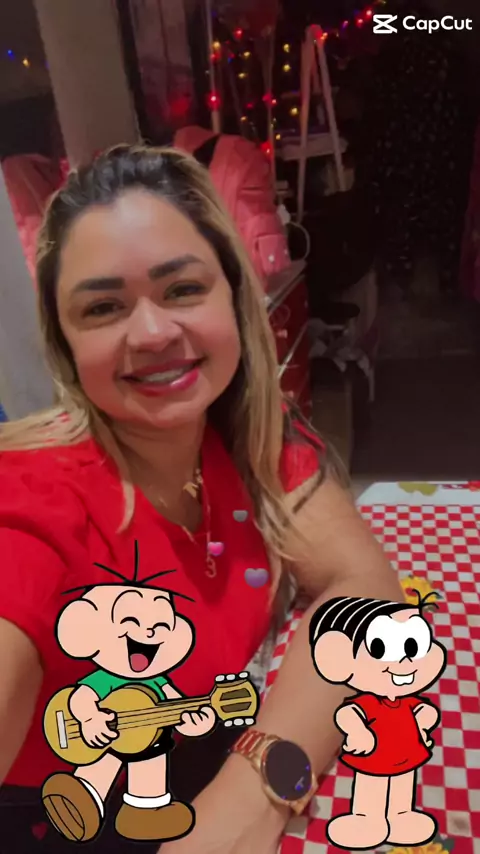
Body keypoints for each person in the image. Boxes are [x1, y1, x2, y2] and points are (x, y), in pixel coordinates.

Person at [0, 144, 403, 854]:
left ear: (234, 298)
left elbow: (362, 584)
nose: (153, 333)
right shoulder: (32, 498)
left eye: (182, 288)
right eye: (102, 307)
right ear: (66, 345)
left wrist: (257, 786)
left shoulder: (247, 439)